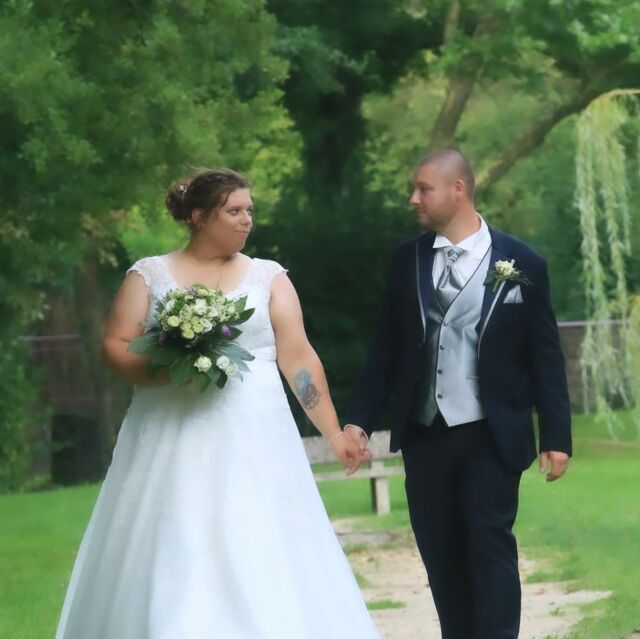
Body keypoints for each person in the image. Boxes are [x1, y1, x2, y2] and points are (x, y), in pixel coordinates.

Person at [55, 168, 379, 639]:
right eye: (234, 211)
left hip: (257, 438)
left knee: (260, 539)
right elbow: (115, 344)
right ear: (198, 216)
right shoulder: (150, 274)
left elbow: (298, 357)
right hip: (170, 433)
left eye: (249, 210)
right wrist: (165, 370)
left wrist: (332, 432)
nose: (247, 220)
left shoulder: (269, 277)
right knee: (176, 540)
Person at [344, 149, 572, 639]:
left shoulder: (522, 262)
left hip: (493, 432)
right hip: (425, 432)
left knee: (489, 546)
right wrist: (359, 419)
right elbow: (385, 349)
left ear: (458, 189)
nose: (413, 198)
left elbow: (545, 355)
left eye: (423, 189)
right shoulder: (406, 259)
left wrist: (557, 435)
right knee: (440, 552)